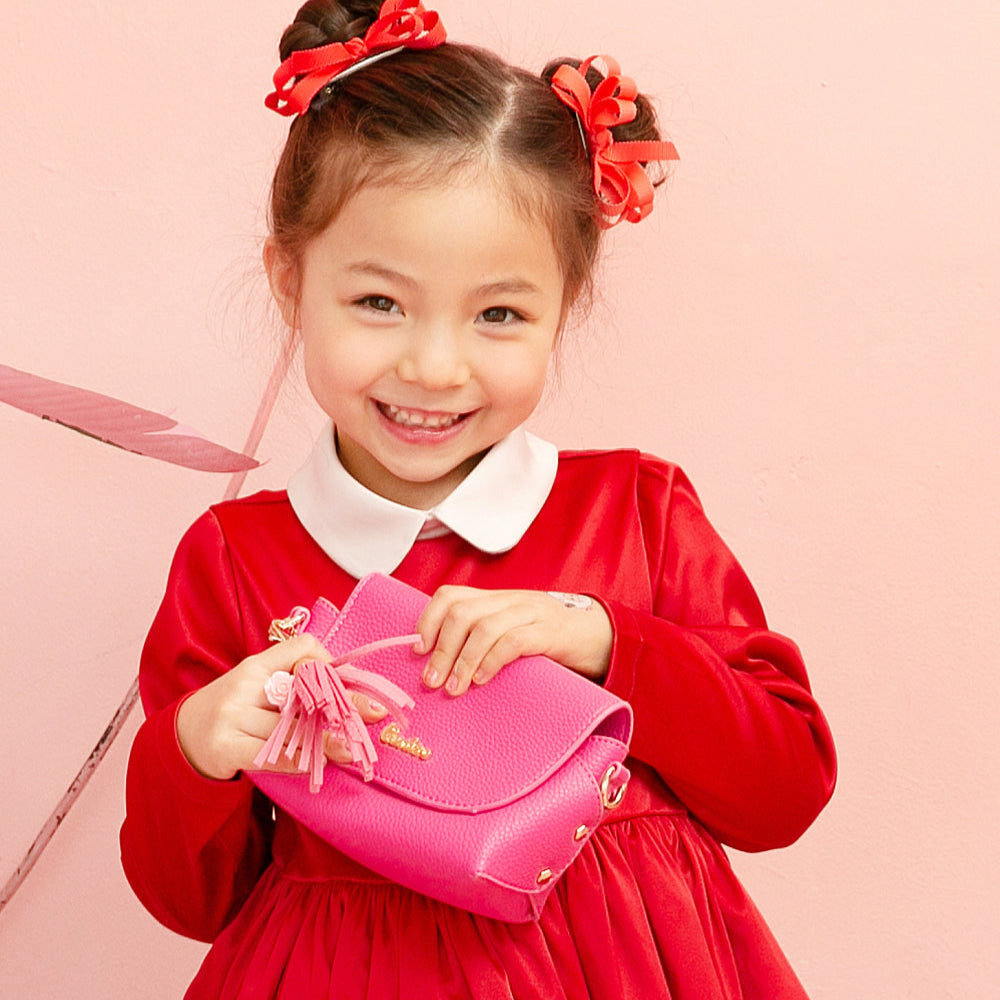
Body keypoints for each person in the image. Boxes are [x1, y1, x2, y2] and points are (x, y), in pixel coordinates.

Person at [120, 2, 837, 997]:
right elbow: (190, 902)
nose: (433, 365)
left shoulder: (633, 511)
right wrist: (200, 749)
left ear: (563, 307)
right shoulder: (236, 556)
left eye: (498, 313)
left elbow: (781, 793)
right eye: (378, 302)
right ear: (290, 281)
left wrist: (604, 640)